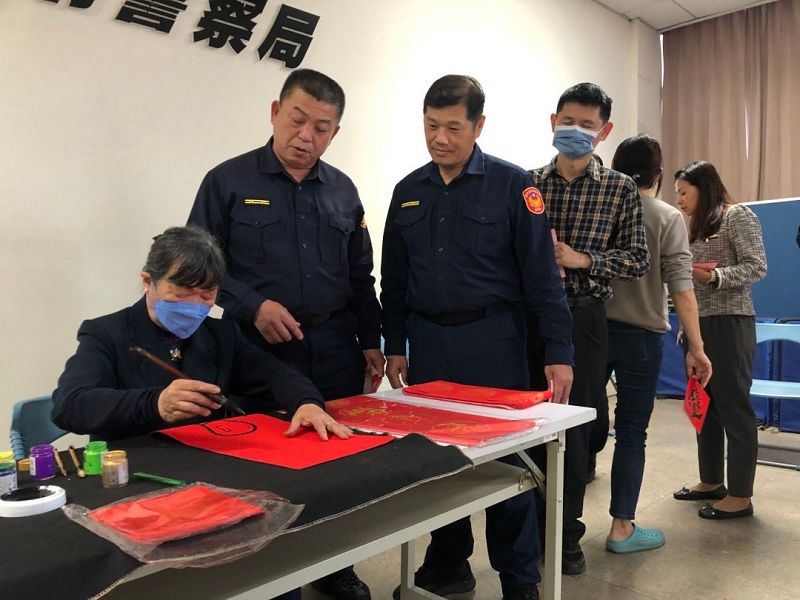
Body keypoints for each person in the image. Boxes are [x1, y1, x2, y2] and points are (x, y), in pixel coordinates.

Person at [188, 69, 381, 599]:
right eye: (297, 120)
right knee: (267, 465)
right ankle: (271, 575)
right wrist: (252, 306)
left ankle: (335, 565)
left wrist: (372, 341)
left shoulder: (343, 191)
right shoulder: (227, 181)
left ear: (335, 133)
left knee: (339, 463)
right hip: (258, 351)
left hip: (336, 347)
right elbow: (199, 266)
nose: (305, 136)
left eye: (321, 128)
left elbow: (360, 275)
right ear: (275, 112)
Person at [381, 75, 574, 600]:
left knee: (506, 465)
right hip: (429, 346)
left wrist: (558, 350)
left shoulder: (514, 186)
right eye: (430, 126)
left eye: (452, 127)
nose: (439, 138)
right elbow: (393, 279)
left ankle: (519, 580)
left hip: (494, 345)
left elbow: (542, 277)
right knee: (441, 461)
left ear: (478, 126)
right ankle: (448, 563)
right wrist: (394, 343)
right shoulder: (408, 191)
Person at [51, 226, 349, 443]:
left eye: (207, 294)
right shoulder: (106, 333)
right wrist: (155, 404)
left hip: (210, 462)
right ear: (148, 281)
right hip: (133, 468)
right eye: (181, 292)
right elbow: (70, 405)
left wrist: (307, 403)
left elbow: (279, 376)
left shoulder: (222, 335)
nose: (195, 304)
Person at [526, 83, 649, 574]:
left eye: (586, 125)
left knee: (577, 429)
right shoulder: (528, 184)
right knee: (528, 423)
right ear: (552, 121)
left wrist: (583, 259)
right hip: (529, 319)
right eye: (567, 121)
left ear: (604, 131)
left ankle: (565, 534)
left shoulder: (619, 188)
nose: (574, 130)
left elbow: (637, 259)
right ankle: (529, 529)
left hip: (584, 317)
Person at [595, 135, 713, 553]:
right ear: (658, 175)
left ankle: (559, 524)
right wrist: (696, 347)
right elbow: (681, 287)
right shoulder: (666, 216)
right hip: (641, 335)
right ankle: (621, 528)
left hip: (590, 329)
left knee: (575, 423)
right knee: (631, 431)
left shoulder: (600, 208)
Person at [672, 161, 766, 520]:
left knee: (733, 406)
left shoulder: (737, 215)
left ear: (704, 187)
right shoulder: (695, 225)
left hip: (730, 323)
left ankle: (740, 495)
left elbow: (756, 266)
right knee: (703, 405)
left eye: (684, 192)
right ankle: (711, 480)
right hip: (698, 327)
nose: (679, 200)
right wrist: (687, 326)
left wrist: (713, 277)